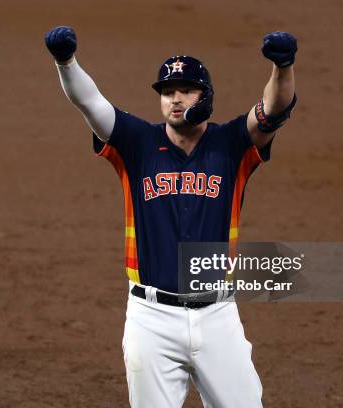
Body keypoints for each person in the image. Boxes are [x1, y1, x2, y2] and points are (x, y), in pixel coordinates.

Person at [45, 25, 297, 408]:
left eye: (185, 90)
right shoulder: (137, 142)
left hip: (218, 316)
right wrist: (66, 62)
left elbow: (274, 109)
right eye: (166, 92)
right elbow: (90, 103)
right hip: (151, 319)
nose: (174, 99)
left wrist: (283, 67)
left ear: (206, 97)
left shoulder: (230, 144)